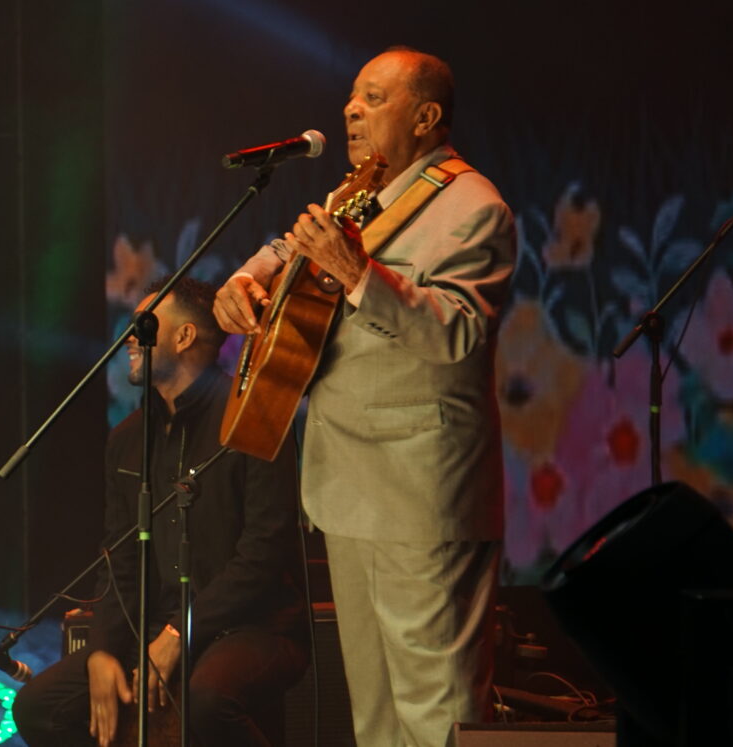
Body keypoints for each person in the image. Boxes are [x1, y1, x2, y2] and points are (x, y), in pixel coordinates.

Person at [213, 47, 515, 746]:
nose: (351, 109)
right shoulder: (361, 192)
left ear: (426, 115)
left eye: (374, 98)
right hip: (347, 486)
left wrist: (356, 271)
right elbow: (285, 253)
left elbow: (460, 332)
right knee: (374, 719)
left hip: (421, 497)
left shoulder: (472, 206)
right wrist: (245, 283)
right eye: (352, 96)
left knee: (437, 713)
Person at [14, 277, 308, 747]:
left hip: (254, 625)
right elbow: (120, 559)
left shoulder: (253, 417)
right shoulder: (128, 437)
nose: (129, 336)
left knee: (207, 700)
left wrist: (179, 630)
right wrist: (104, 650)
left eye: (143, 324)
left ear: (185, 336)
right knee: (38, 707)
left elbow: (263, 556)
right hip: (155, 626)